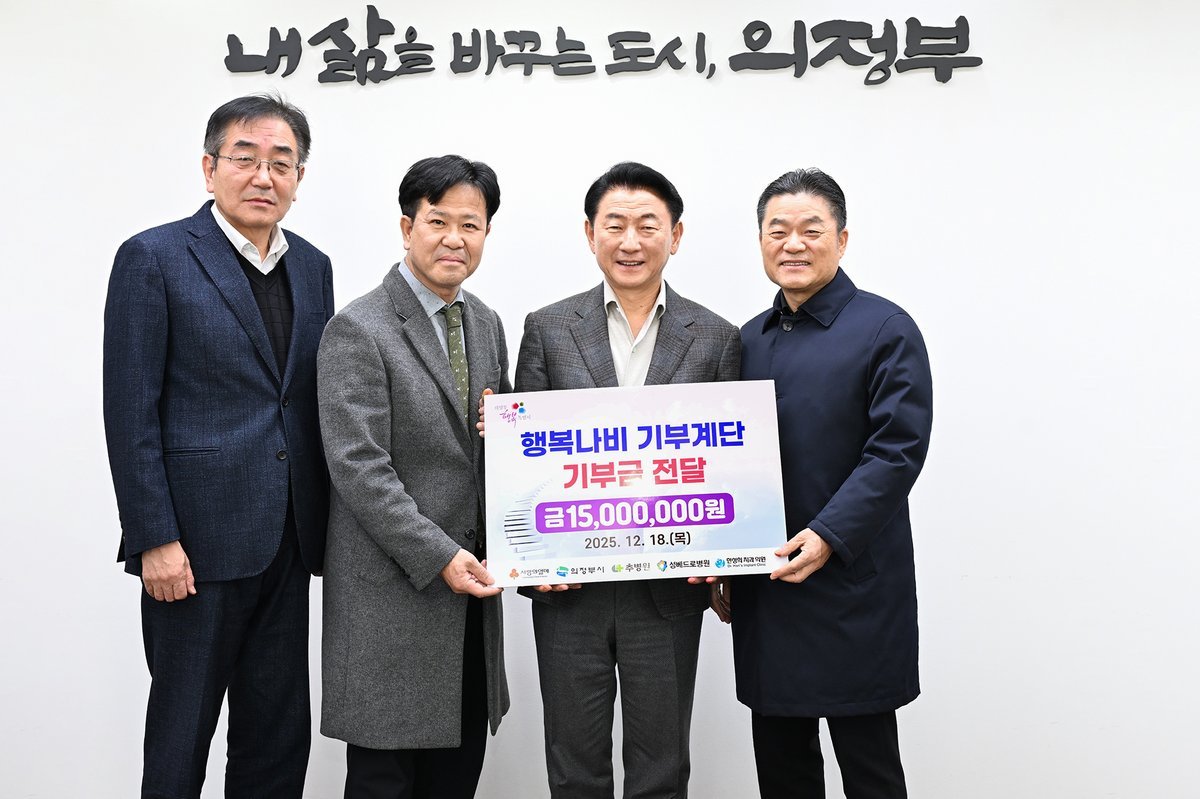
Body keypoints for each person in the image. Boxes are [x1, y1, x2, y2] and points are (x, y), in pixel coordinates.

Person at [102, 93, 333, 798]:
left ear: (299, 178)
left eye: (282, 163)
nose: (264, 176)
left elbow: (304, 399)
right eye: (245, 158)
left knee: (276, 740)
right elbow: (130, 411)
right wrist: (154, 538)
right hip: (192, 550)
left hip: (288, 542)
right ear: (210, 168)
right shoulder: (154, 257)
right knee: (181, 738)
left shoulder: (314, 267)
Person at [515, 161, 740, 799]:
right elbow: (525, 463)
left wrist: (726, 561)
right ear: (590, 234)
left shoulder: (717, 338)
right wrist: (529, 561)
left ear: (676, 235)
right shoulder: (547, 328)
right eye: (614, 225)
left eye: (648, 225)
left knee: (661, 769)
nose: (631, 241)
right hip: (569, 591)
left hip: (668, 592)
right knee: (573, 767)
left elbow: (729, 462)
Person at [725, 167, 933, 799]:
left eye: (811, 230)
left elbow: (896, 452)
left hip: (852, 586)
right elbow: (719, 460)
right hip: (768, 590)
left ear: (842, 239)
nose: (793, 244)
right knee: (781, 770)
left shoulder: (885, 329)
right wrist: (719, 558)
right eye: (777, 230)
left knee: (870, 770)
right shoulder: (746, 340)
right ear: (760, 241)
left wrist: (826, 535)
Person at [317, 155, 510, 799]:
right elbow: (358, 466)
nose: (455, 238)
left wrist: (505, 432)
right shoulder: (358, 327)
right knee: (385, 782)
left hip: (469, 604)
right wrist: (440, 554)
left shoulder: (486, 323)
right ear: (407, 228)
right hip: (393, 598)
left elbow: (504, 447)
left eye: (471, 225)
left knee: (456, 777)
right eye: (438, 221)